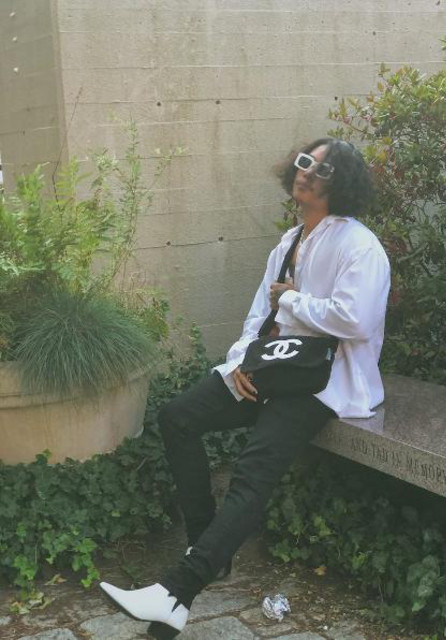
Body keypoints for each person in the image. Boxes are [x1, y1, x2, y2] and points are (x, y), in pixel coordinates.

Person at [100, 137, 391, 639]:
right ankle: (206, 549)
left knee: (253, 470)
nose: (307, 173)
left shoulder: (358, 245)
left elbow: (356, 320)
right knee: (178, 417)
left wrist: (293, 300)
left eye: (321, 170)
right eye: (305, 162)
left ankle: (176, 592)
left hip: (322, 384)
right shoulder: (290, 242)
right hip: (271, 371)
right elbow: (259, 314)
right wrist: (241, 363)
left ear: (341, 183)